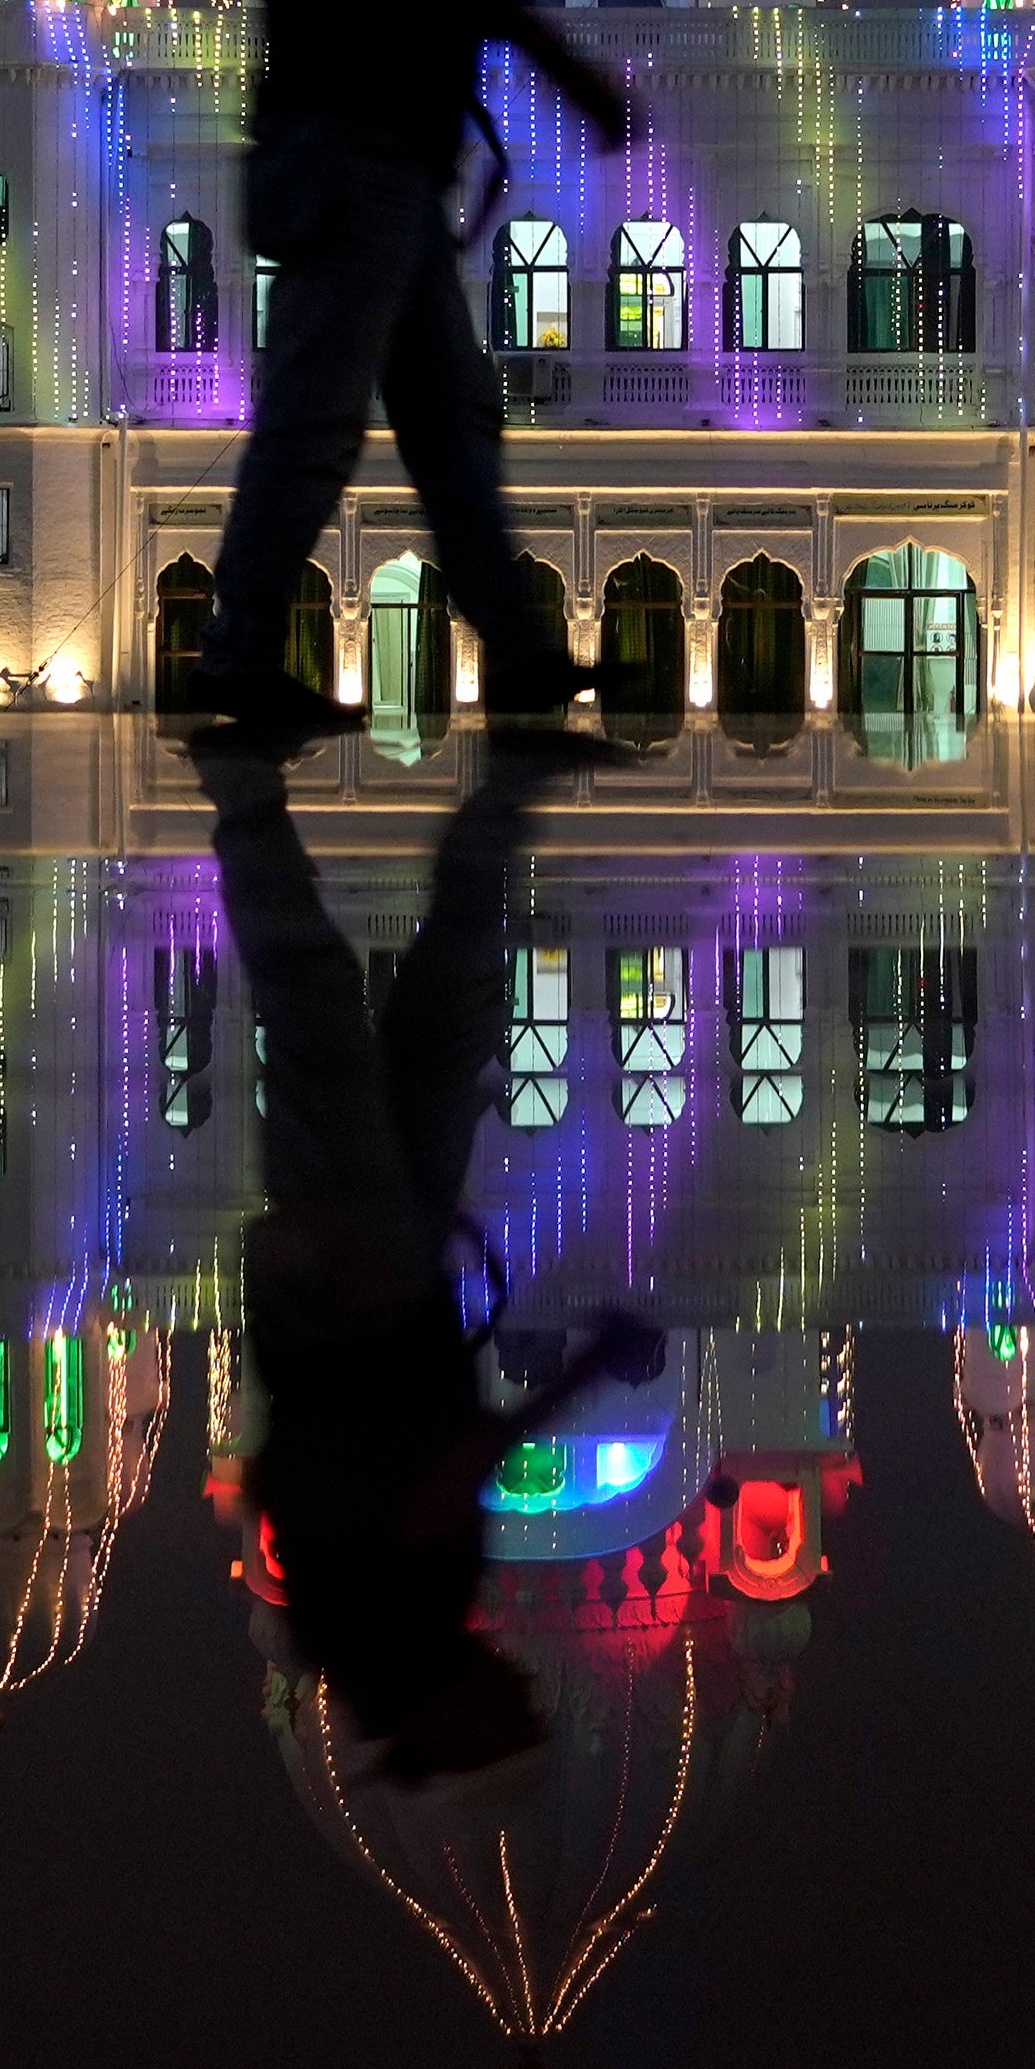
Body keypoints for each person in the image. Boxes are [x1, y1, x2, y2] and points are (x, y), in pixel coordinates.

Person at [197, 0, 642, 753]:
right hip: (352, 154)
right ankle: (240, 653)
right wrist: (564, 69)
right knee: (318, 416)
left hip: (383, 160)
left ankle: (521, 654)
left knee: (451, 418)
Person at [205, 743, 662, 1782]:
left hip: (353, 1292)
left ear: (462, 1733)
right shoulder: (377, 1643)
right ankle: (506, 784)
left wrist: (591, 1367)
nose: (528, 1689)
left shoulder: (393, 1635)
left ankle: (243, 781)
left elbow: (448, 1464)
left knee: (320, 1013)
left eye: (519, 1715)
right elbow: (296, 1480)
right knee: (448, 1017)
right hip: (383, 1286)